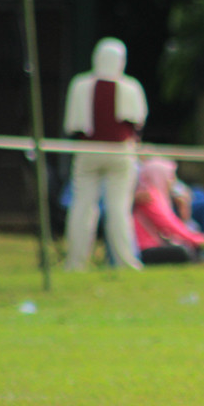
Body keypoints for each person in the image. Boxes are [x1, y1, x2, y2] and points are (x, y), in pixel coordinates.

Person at [62, 37, 147, 271]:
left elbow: (72, 125)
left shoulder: (80, 85)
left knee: (81, 206)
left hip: (87, 151)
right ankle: (124, 261)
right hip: (120, 153)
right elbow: (138, 122)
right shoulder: (131, 87)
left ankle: (75, 262)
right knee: (118, 208)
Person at [133, 158, 204, 265]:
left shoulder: (160, 196)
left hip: (157, 244)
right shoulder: (149, 197)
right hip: (146, 248)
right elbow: (169, 224)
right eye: (170, 176)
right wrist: (199, 239)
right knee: (184, 252)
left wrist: (185, 210)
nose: (172, 181)